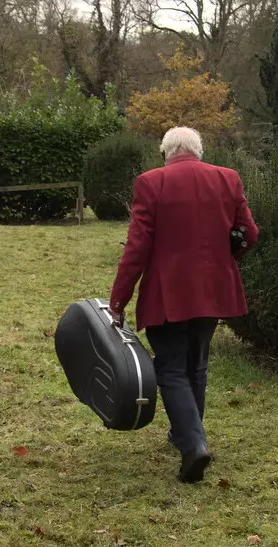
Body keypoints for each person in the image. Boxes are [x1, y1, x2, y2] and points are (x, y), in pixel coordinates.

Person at [109, 127, 259, 484]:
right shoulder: (228, 179)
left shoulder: (151, 183)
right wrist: (228, 255)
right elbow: (249, 232)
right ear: (198, 151)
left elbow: (137, 249)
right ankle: (187, 434)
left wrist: (119, 299)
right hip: (213, 288)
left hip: (169, 291)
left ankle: (193, 445)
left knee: (171, 369)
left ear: (166, 153)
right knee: (197, 365)